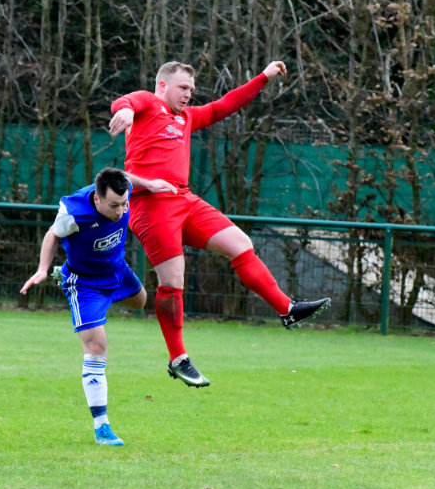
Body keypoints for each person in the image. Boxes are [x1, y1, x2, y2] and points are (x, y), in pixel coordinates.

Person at [108, 60, 330, 389]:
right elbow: (124, 101)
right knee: (173, 281)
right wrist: (126, 111)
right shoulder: (149, 103)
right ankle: (178, 359)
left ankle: (287, 308)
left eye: (191, 89)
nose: (188, 94)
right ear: (163, 86)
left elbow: (224, 106)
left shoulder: (187, 117)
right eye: (183, 88)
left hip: (184, 199)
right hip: (150, 205)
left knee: (240, 244)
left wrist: (263, 77)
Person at [20, 167, 176, 446]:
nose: (121, 211)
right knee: (96, 347)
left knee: (140, 301)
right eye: (114, 205)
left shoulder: (123, 188)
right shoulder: (74, 212)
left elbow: (128, 176)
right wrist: (42, 269)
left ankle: (96, 314)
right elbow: (52, 234)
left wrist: (151, 185)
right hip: (85, 283)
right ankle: (102, 427)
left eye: (124, 204)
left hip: (116, 269)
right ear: (97, 199)